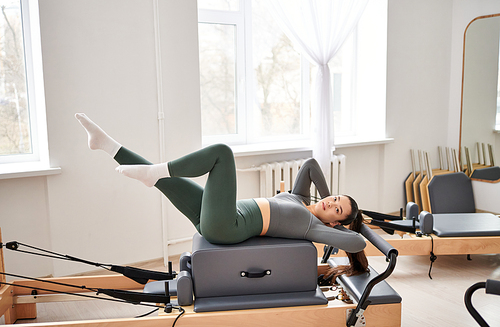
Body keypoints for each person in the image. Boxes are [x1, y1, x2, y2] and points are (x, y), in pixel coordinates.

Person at [75, 113, 368, 281]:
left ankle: (158, 171)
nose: (331, 203)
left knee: (222, 154)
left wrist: (348, 226)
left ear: (334, 225)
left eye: (336, 209)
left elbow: (358, 242)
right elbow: (310, 166)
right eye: (336, 198)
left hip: (227, 226)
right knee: (156, 176)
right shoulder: (301, 200)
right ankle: (107, 145)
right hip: (216, 216)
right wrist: (328, 199)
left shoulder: (314, 228)